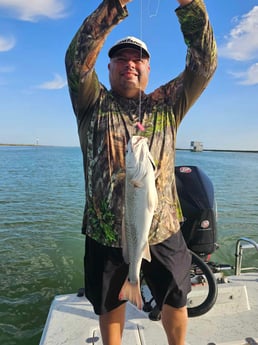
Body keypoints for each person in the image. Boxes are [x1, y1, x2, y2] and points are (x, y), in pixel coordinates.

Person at [65, 0, 217, 344]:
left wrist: (190, 5)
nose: (130, 64)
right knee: (109, 303)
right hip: (105, 231)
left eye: (138, 59)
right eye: (121, 58)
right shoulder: (92, 103)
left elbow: (204, 64)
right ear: (108, 67)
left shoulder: (167, 104)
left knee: (176, 297)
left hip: (162, 227)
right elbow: (76, 60)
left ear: (148, 68)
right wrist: (115, 5)